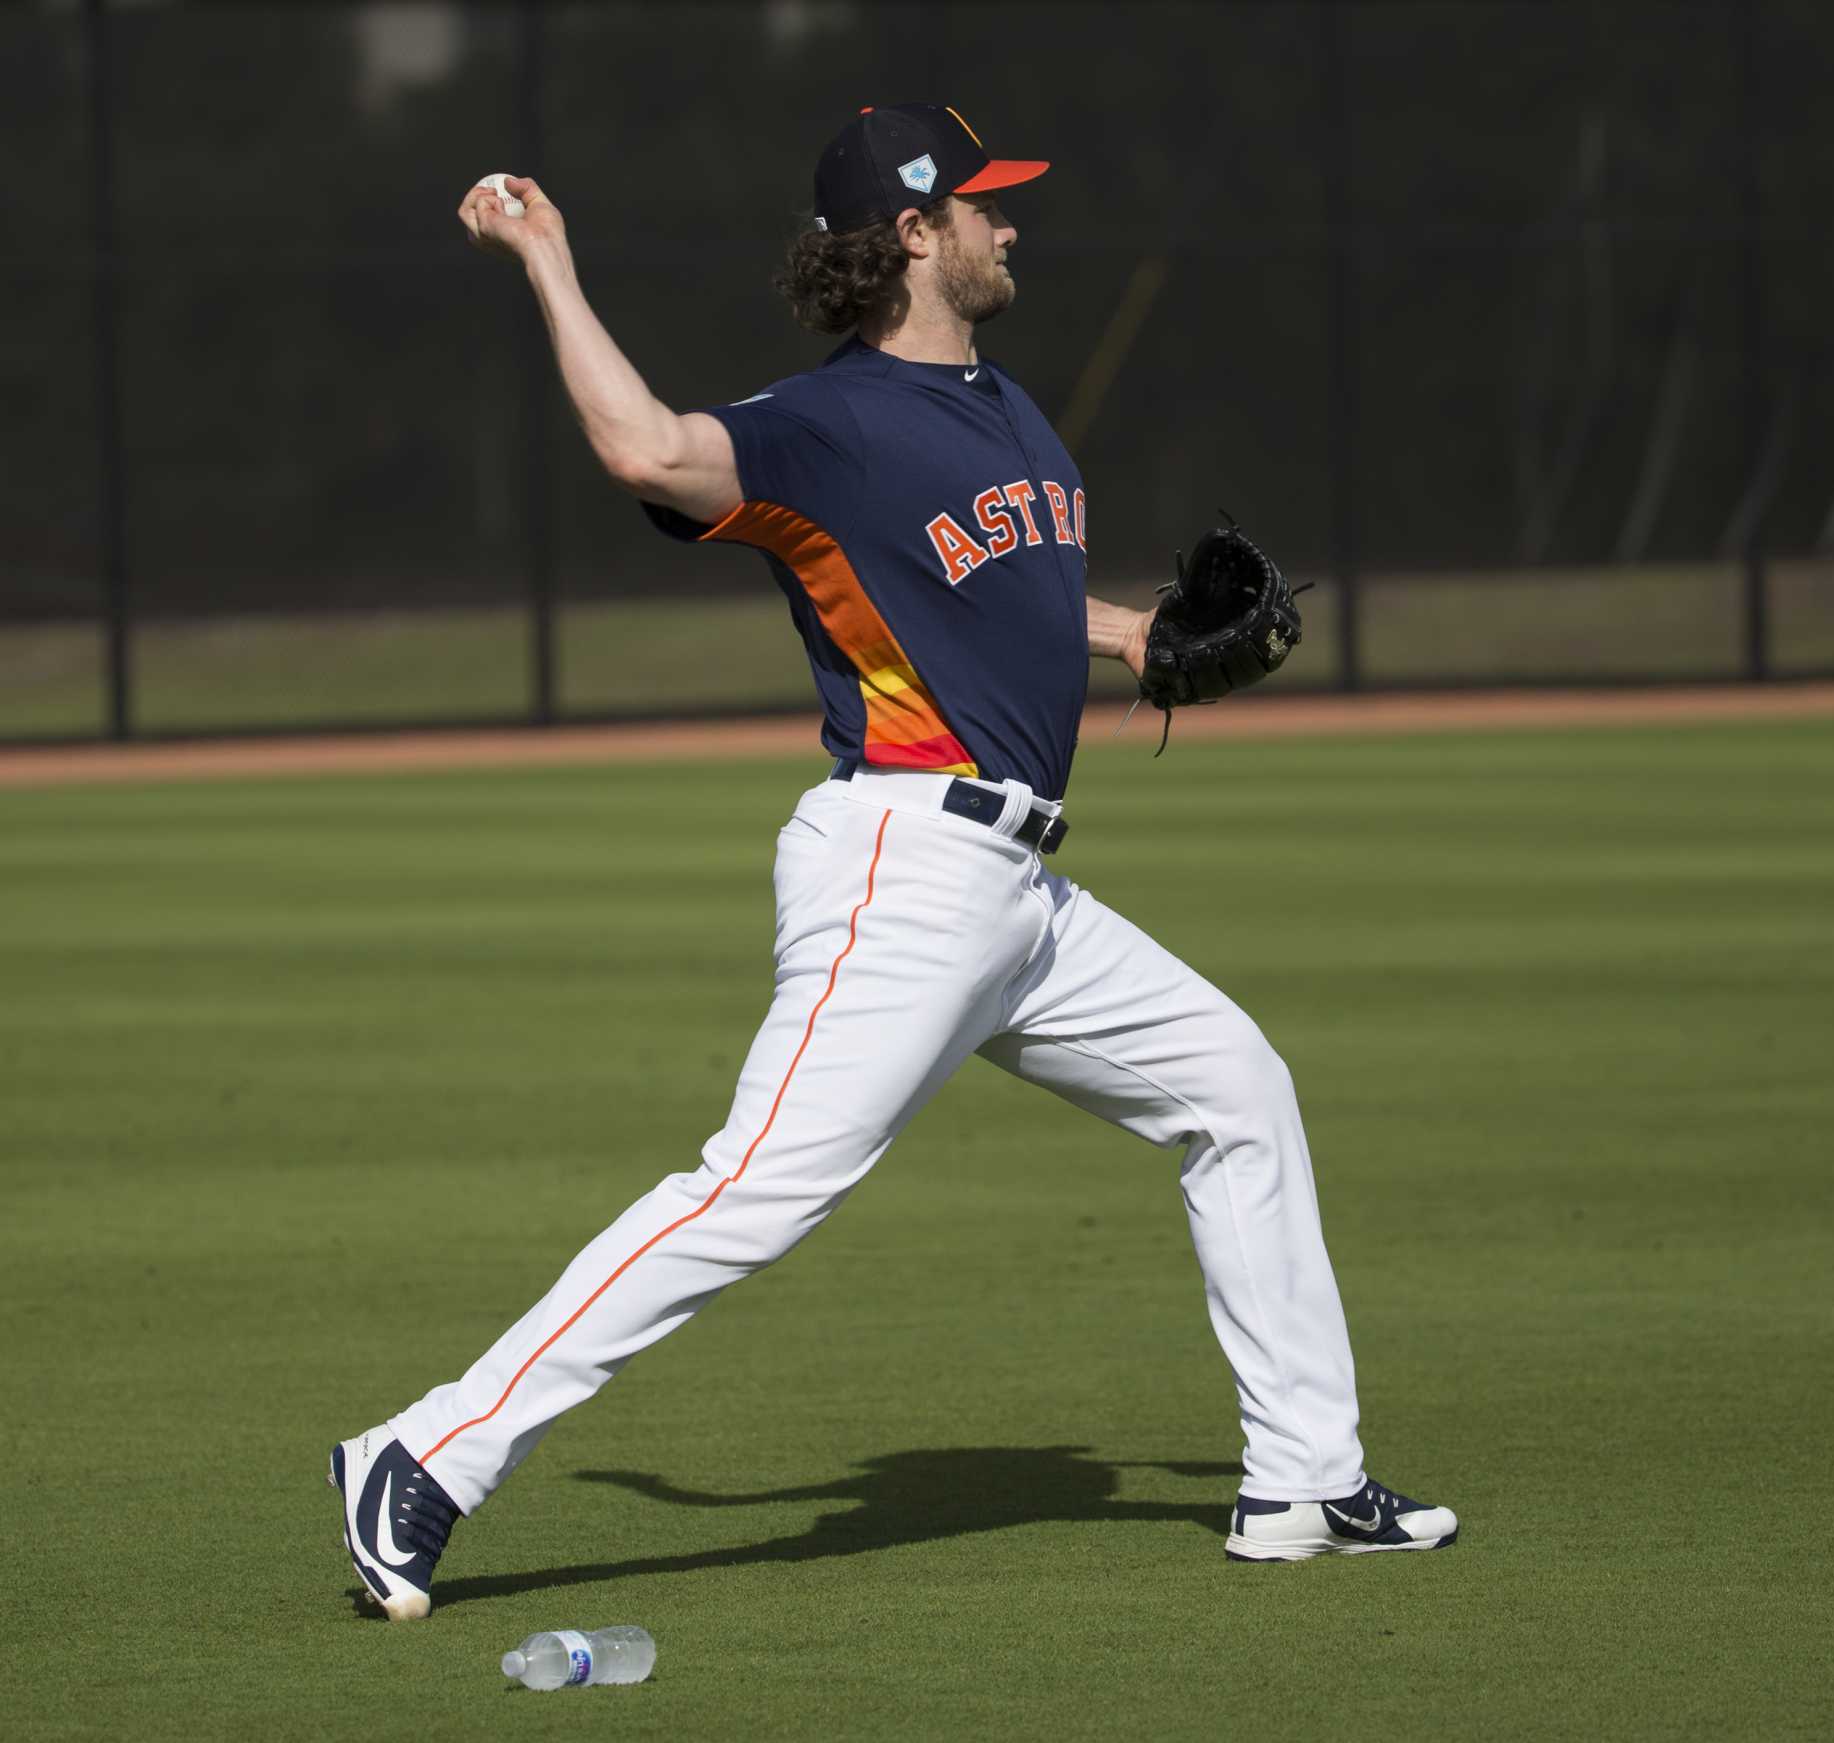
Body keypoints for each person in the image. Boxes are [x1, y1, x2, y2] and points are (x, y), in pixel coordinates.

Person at [330, 102, 1457, 1622]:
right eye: (985, 204)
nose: (1012, 224)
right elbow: (645, 448)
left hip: (1023, 902)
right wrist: (549, 257)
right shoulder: (825, 423)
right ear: (913, 235)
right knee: (753, 1193)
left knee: (1239, 1089)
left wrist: (1141, 637)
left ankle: (1305, 1477)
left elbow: (994, 601)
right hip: (905, 867)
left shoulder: (1003, 410)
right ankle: (428, 1450)